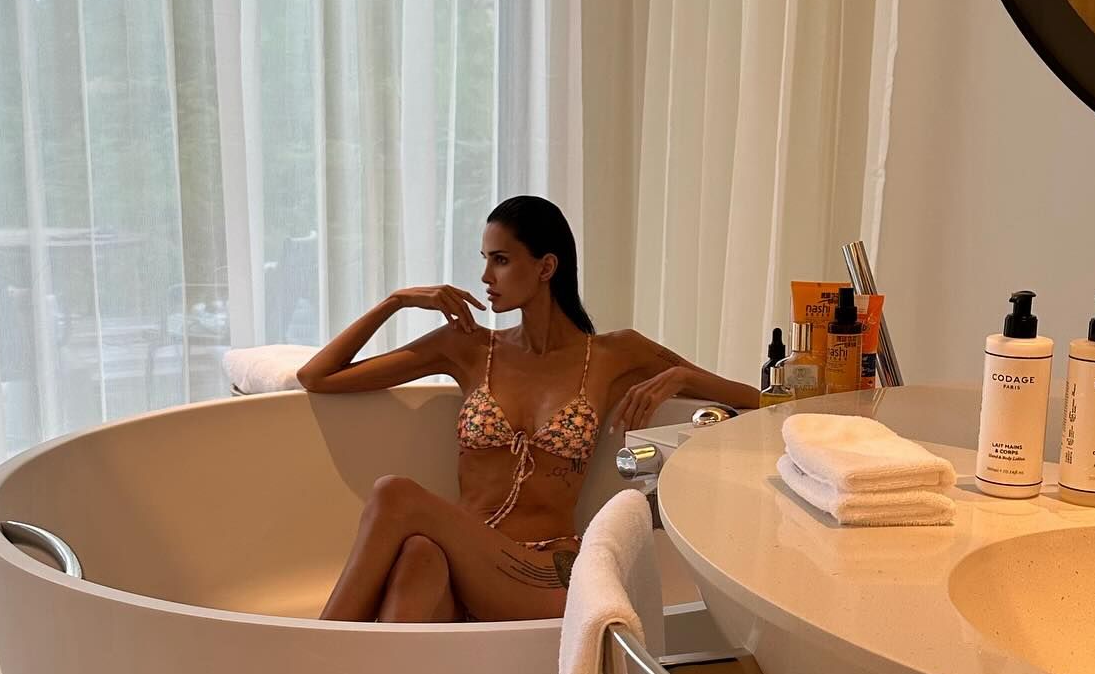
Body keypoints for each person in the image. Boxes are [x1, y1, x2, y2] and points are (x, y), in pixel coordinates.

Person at [300, 195, 759, 623]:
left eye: (500, 260)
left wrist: (681, 377)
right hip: (465, 560)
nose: (486, 277)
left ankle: (315, 654)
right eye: (485, 260)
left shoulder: (614, 354)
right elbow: (317, 376)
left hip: (545, 571)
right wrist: (396, 302)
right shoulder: (468, 346)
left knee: (394, 494)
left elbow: (756, 399)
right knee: (419, 554)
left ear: (546, 267)